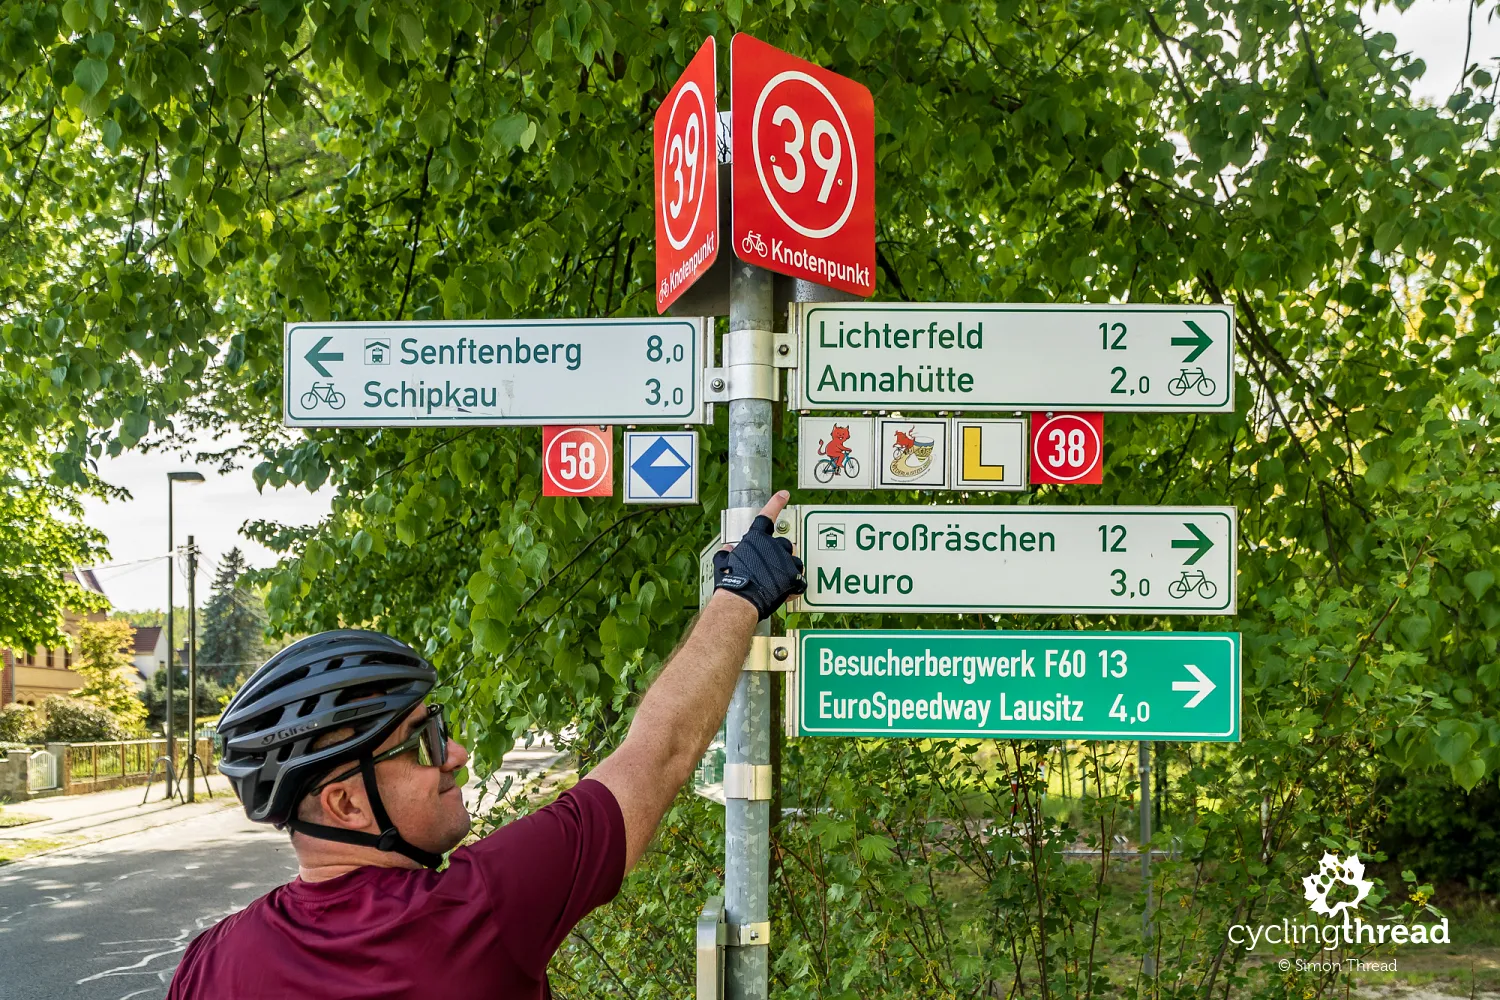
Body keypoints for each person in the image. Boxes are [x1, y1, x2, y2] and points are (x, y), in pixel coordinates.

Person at [167, 492, 805, 999]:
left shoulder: (210, 965)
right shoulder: (471, 915)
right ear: (346, 804)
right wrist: (741, 594)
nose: (455, 755)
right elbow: (656, 756)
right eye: (421, 743)